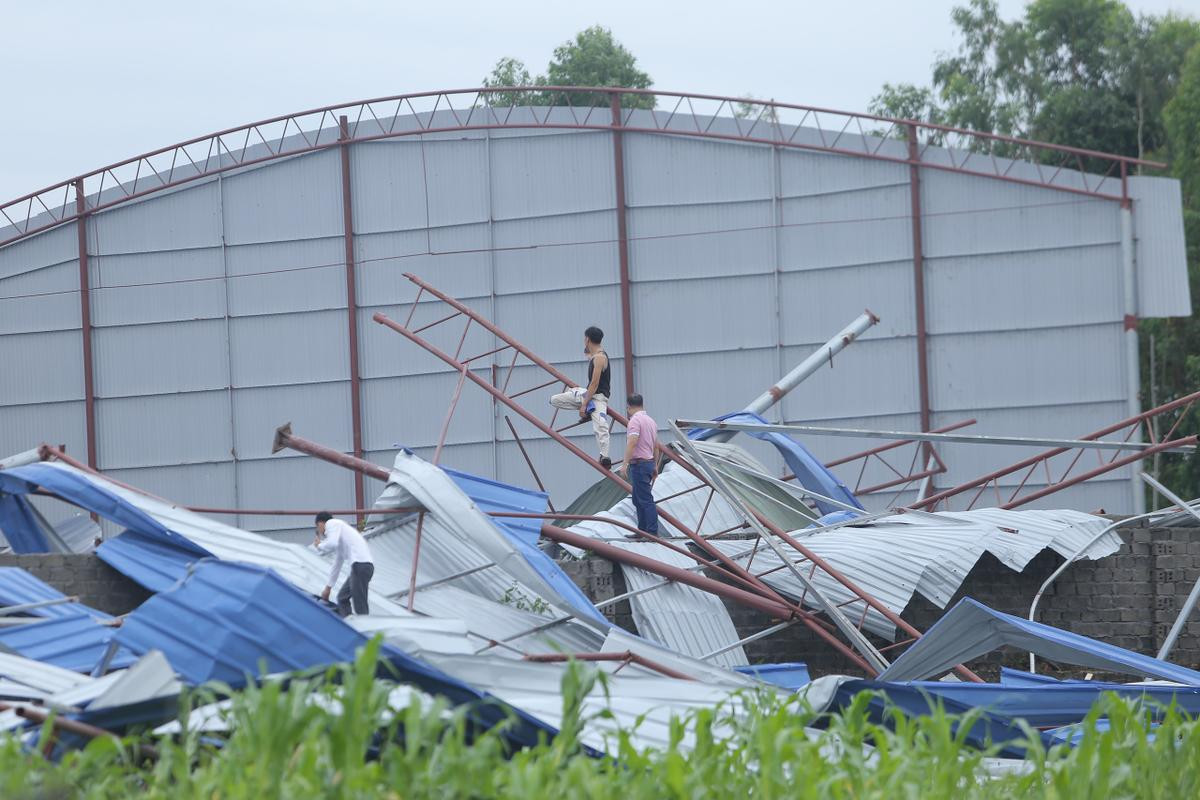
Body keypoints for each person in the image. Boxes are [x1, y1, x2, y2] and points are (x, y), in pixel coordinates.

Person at [549, 325, 612, 468]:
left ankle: (605, 456)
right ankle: (586, 406)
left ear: (587, 339)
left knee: (601, 426)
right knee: (555, 400)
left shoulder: (600, 358)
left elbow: (595, 384)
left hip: (598, 397)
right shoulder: (595, 356)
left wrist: (584, 404)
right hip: (588, 394)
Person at [313, 512, 375, 617]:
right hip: (362, 567)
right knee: (342, 598)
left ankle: (365, 630)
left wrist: (319, 545)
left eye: (317, 527)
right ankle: (349, 625)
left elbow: (332, 543)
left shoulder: (332, 523)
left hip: (360, 565)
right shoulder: (341, 533)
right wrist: (328, 588)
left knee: (360, 605)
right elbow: (337, 564)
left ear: (320, 523)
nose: (319, 531)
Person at [620, 393, 659, 535]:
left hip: (639, 464)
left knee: (645, 499)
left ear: (628, 407)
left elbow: (632, 442)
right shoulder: (651, 422)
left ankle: (652, 532)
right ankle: (642, 530)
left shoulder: (635, 421)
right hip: (648, 463)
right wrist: (655, 465)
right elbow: (656, 446)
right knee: (638, 499)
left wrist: (625, 464)